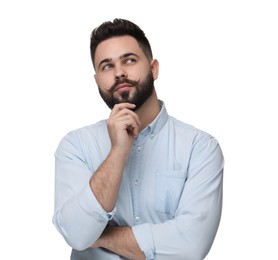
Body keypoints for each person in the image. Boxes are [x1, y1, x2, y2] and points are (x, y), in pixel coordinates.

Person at [53, 18, 224, 260]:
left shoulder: (200, 148)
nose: (119, 72)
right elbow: (77, 234)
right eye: (106, 66)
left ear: (154, 68)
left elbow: (190, 246)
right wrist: (118, 152)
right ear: (97, 81)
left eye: (129, 60)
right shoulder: (76, 147)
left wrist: (99, 237)